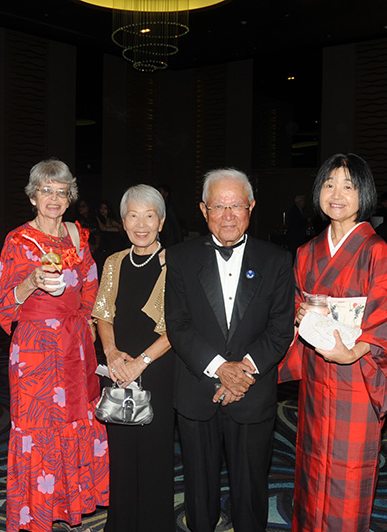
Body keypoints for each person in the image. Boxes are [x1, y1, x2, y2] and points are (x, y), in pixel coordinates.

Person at [279, 154, 387, 532]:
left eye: (348, 186)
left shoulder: (376, 251)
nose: (337, 194)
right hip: (317, 373)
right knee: (312, 458)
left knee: (347, 468)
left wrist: (355, 350)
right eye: (329, 184)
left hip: (356, 373)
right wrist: (299, 313)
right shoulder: (307, 252)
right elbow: (295, 302)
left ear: (363, 194)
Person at [165, 168, 294, 532]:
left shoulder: (277, 260)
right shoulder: (179, 258)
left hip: (253, 393)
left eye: (235, 205)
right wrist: (222, 369)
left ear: (251, 207)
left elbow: (281, 328)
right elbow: (178, 324)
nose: (227, 215)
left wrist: (244, 372)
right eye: (218, 206)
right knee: (198, 488)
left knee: (251, 487)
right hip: (196, 390)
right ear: (203, 210)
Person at [0, 158, 108, 532]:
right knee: (39, 423)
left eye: (62, 192)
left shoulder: (78, 234)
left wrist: (89, 320)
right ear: (33, 196)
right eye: (47, 191)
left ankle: (71, 503)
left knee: (77, 418)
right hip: (35, 348)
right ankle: (38, 510)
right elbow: (5, 303)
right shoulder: (17, 239)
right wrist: (31, 282)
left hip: (75, 344)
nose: (54, 199)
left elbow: (91, 284)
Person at [92, 184, 175, 532]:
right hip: (118, 368)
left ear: (161, 221)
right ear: (123, 222)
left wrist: (140, 363)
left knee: (155, 456)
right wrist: (112, 355)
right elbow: (102, 314)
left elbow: (177, 327)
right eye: (133, 215)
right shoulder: (114, 262)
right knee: (122, 457)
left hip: (156, 368)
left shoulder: (176, 263)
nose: (141, 224)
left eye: (149, 215)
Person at [156, 183, 185, 248]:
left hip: (169, 241)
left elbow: (176, 226)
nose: (158, 194)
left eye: (160, 191)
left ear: (166, 194)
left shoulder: (169, 208)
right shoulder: (157, 207)